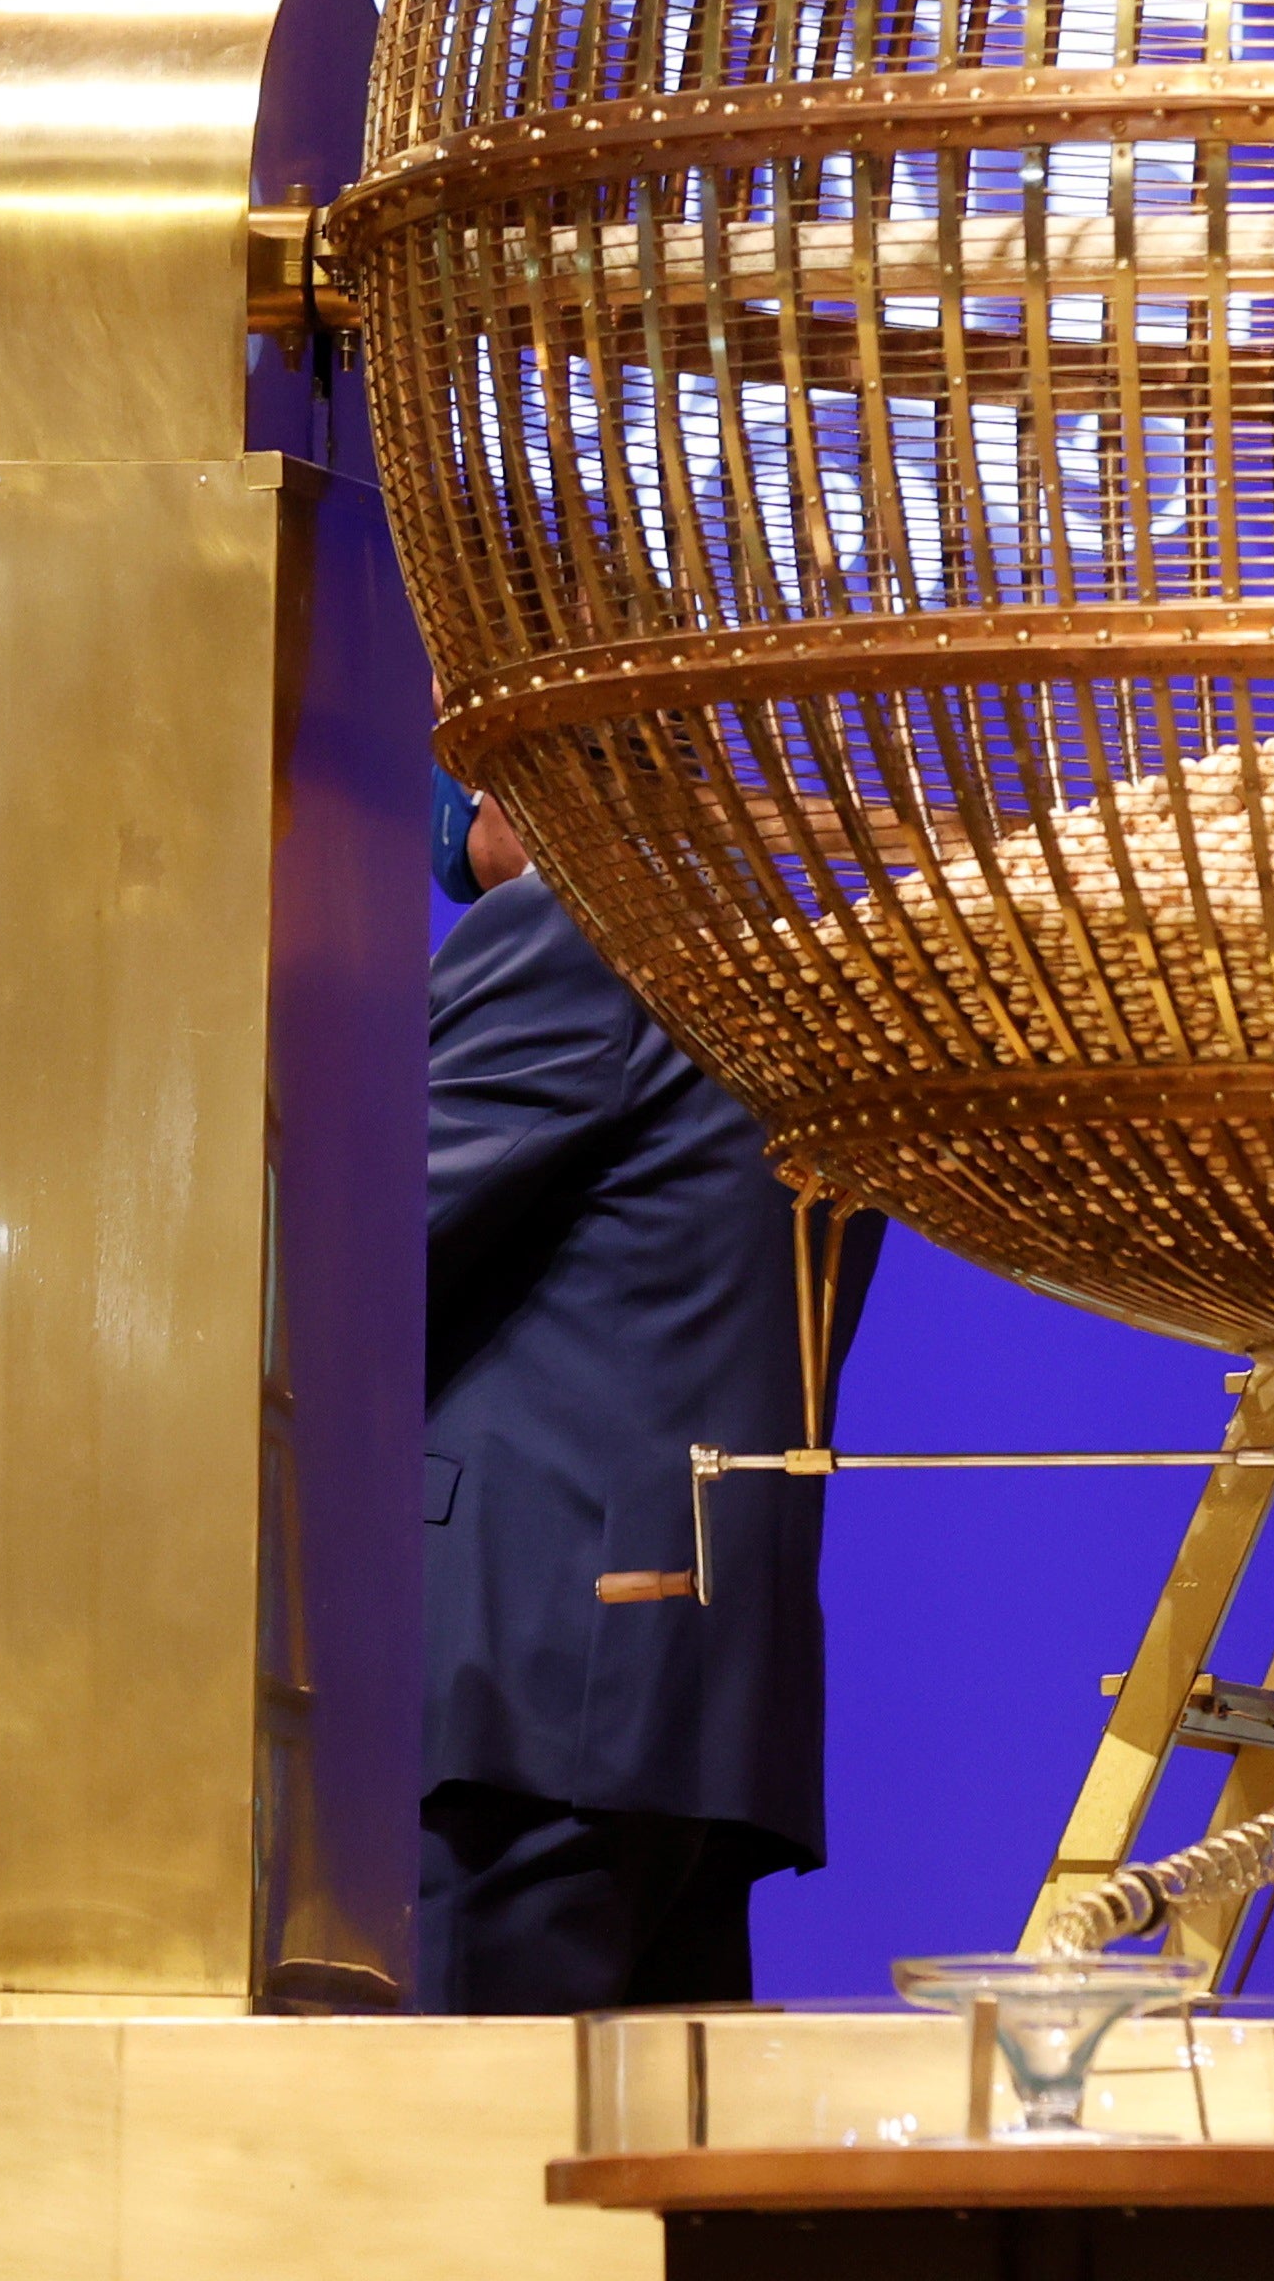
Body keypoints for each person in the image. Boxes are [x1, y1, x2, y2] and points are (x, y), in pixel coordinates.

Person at [419, 774, 881, 2012]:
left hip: (530, 1686)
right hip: (690, 1690)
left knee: (469, 2171)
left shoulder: (572, 927)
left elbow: (355, 1267)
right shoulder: (800, 957)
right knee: (632, 2178)